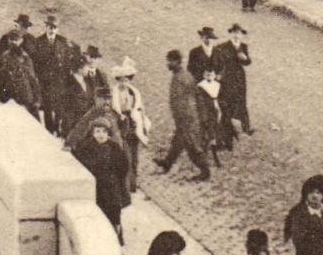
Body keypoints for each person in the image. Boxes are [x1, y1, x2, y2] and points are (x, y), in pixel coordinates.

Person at [70, 116, 131, 243]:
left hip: (111, 188)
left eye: (104, 132)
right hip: (96, 188)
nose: (101, 135)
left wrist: (116, 179)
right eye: (97, 131)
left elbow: (123, 166)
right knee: (97, 214)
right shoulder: (86, 147)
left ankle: (116, 240)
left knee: (114, 215)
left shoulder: (114, 148)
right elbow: (79, 162)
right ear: (92, 133)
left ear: (108, 133)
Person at [156, 49, 212, 181]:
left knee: (192, 146)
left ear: (176, 62)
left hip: (187, 119)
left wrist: (185, 119)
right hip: (184, 118)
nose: (167, 64)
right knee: (177, 142)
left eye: (170, 61)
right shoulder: (181, 75)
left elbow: (189, 99)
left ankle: (205, 171)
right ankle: (167, 163)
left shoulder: (182, 77)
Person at [29, 14, 80, 135]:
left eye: (54, 27)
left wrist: (67, 76)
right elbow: (35, 62)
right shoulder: (38, 41)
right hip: (45, 80)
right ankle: (49, 130)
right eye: (49, 27)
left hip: (59, 80)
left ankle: (57, 128)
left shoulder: (62, 41)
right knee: (47, 106)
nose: (51, 30)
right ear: (45, 27)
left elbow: (68, 59)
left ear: (57, 28)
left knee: (59, 106)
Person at [108, 56, 149, 193]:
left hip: (133, 122)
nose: (124, 82)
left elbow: (140, 108)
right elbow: (115, 107)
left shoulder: (134, 92)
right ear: (118, 80)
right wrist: (120, 115)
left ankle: (133, 183)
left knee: (134, 155)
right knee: (125, 155)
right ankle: (125, 183)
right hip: (121, 122)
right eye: (121, 80)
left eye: (126, 80)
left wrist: (140, 120)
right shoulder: (115, 92)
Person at [211, 24, 253, 146]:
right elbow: (217, 62)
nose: (236, 35)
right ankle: (221, 137)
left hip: (239, 79)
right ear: (230, 34)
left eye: (238, 33)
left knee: (241, 101)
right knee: (227, 106)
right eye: (234, 33)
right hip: (227, 80)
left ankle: (245, 127)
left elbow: (248, 62)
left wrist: (244, 57)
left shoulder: (243, 47)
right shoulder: (223, 47)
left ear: (241, 35)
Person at [0, 29, 41, 115]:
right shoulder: (4, 58)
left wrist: (37, 100)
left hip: (25, 99)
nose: (13, 42)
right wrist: (2, 96)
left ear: (21, 41)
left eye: (16, 40)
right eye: (11, 39)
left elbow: (33, 79)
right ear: (9, 41)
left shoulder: (25, 58)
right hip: (10, 99)